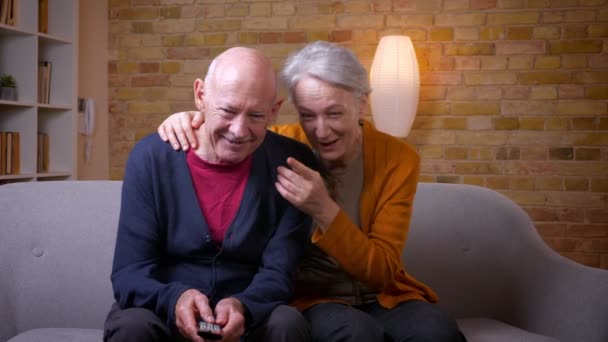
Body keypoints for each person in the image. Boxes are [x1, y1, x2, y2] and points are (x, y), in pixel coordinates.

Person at [158, 41, 466, 341]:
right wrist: (187, 120)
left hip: (384, 295)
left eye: (334, 113)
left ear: (361, 103)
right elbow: (234, 130)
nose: (320, 130)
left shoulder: (398, 159)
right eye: (308, 115)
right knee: (356, 331)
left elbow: (384, 272)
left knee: (437, 331)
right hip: (310, 299)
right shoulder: (276, 145)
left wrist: (324, 209)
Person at [105, 47, 317, 342]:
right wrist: (176, 299)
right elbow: (130, 272)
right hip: (161, 310)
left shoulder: (293, 163)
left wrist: (243, 304)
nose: (239, 130)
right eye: (227, 111)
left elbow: (280, 272)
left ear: (274, 110)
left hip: (251, 312)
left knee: (287, 322)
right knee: (131, 326)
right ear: (200, 95)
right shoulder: (150, 157)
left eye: (256, 115)